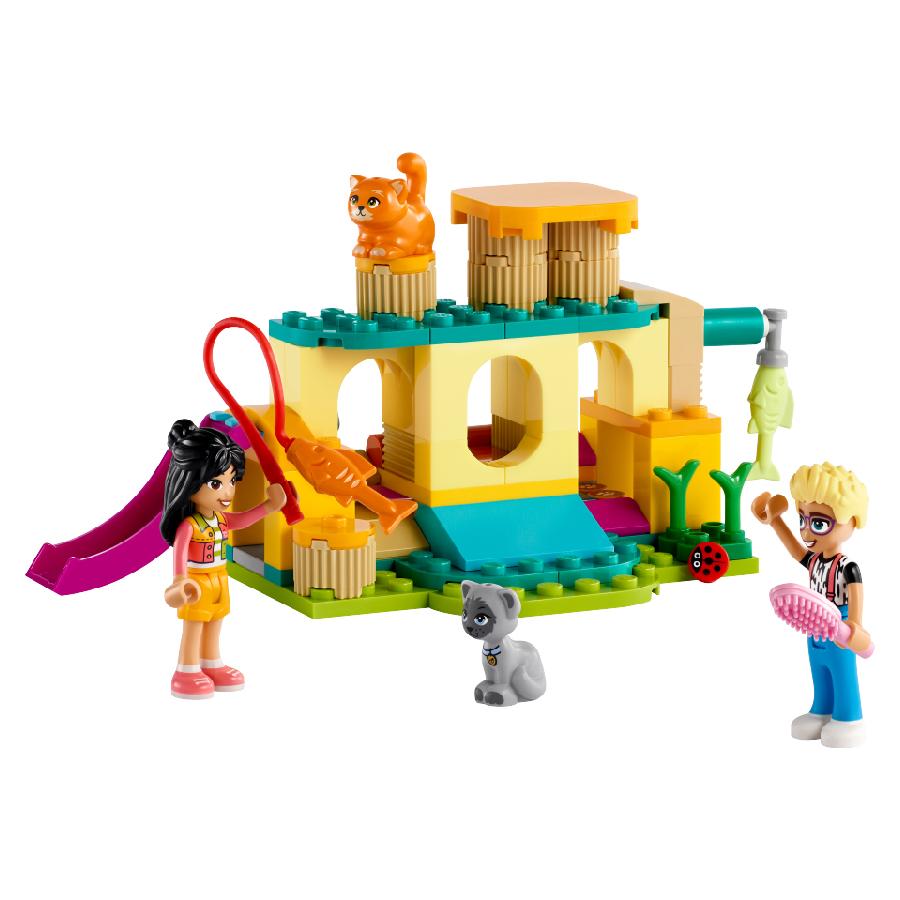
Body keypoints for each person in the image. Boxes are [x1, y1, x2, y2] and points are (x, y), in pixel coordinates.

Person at [161, 419, 287, 700]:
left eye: (232, 481)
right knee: (194, 625)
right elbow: (179, 554)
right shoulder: (189, 526)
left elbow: (242, 520)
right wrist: (180, 582)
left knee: (216, 621)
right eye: (216, 483)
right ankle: (186, 670)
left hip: (220, 578)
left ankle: (212, 663)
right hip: (197, 582)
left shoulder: (220, 520)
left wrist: (270, 506)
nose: (228, 492)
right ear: (189, 482)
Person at [751, 462, 870, 747]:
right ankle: (822, 710)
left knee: (842, 673)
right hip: (814, 624)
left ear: (851, 521)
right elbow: (795, 549)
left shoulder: (848, 567)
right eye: (802, 520)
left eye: (819, 523)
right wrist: (775, 521)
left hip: (840, 625)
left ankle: (849, 717)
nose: (806, 532)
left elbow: (856, 598)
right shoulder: (815, 561)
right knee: (819, 670)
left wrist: (854, 625)